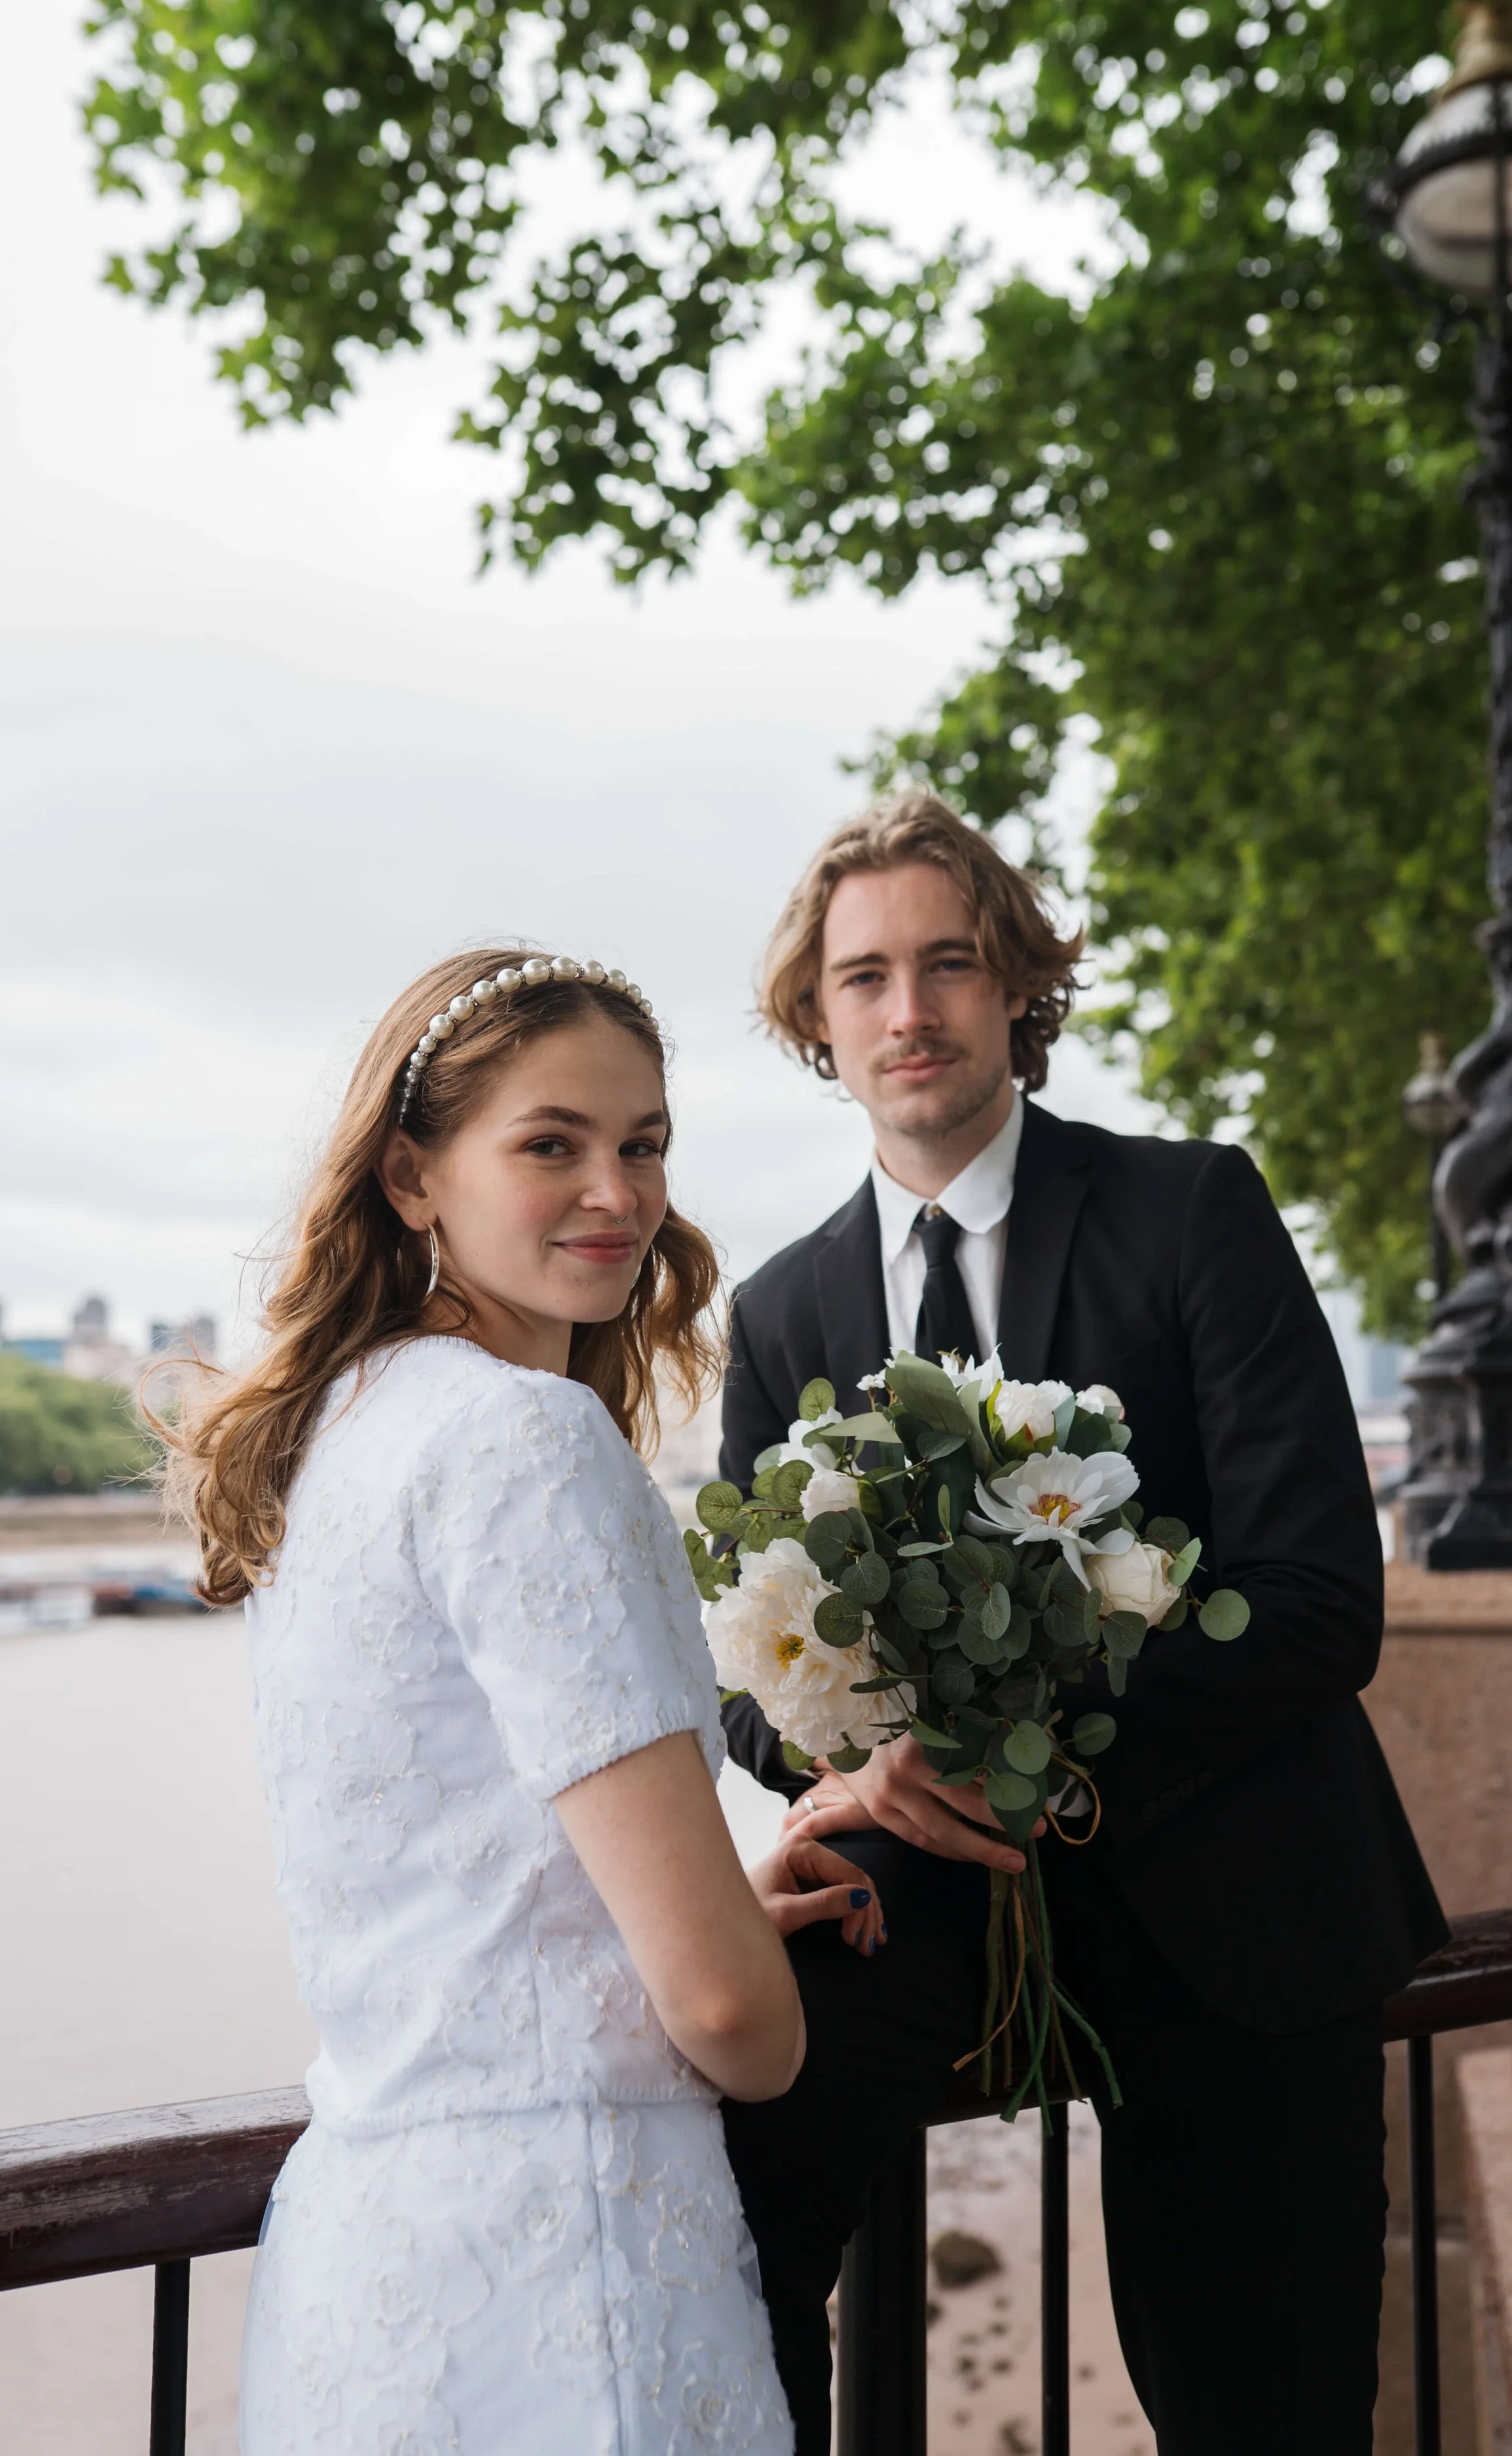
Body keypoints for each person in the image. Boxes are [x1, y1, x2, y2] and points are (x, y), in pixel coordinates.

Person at [715, 794, 1450, 2456]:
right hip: (933, 1906)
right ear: (814, 1023)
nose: (909, 1012)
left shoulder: (1191, 1211)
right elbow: (749, 1682)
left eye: (950, 964)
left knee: (1259, 2416)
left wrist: (1021, 1767)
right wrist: (858, 1770)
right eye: (864, 978)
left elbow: (1322, 1600)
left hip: (1239, 1900)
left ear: (1017, 990)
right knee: (738, 2186)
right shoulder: (781, 1312)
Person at [164, 946, 886, 2456]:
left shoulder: (341, 1433)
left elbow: (459, 1873)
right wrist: (754, 2004)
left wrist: (685, 1909)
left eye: (643, 1145)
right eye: (550, 1145)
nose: (616, 1192)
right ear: (414, 1178)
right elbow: (727, 2018)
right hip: (577, 2266)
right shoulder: (528, 1441)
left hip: (372, 2279)